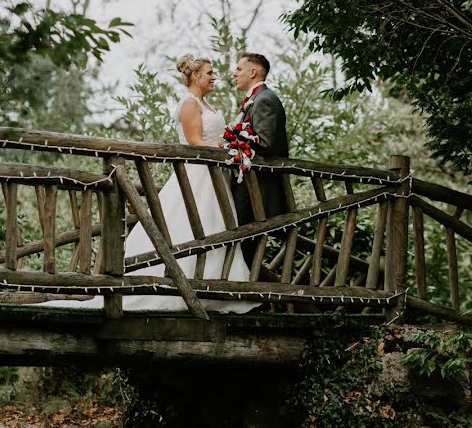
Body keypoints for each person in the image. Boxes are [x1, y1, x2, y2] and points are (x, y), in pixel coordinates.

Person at [40, 54, 257, 313]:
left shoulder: (205, 104)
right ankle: (180, 286)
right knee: (190, 225)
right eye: (209, 73)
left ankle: (218, 286)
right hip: (198, 174)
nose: (214, 77)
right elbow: (195, 142)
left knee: (216, 225)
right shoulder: (189, 103)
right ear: (196, 76)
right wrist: (228, 147)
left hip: (215, 176)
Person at [230, 53, 289, 266]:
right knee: (241, 249)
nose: (234, 74)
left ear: (253, 72)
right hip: (248, 187)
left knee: (245, 250)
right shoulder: (256, 99)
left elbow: (265, 143)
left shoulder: (265, 99)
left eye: (239, 69)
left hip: (258, 190)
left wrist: (234, 142)